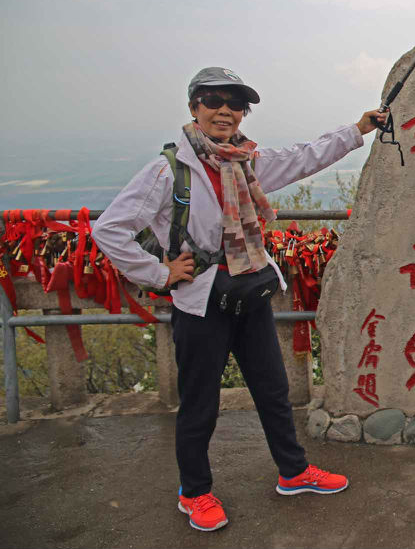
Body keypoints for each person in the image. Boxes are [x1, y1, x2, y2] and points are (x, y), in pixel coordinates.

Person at [92, 67, 387, 532]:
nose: (225, 110)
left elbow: (305, 157)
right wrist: (159, 273)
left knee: (273, 390)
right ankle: (194, 493)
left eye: (236, 103)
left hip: (248, 292)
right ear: (194, 107)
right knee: (200, 402)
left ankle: (293, 472)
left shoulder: (246, 162)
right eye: (213, 100)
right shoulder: (169, 172)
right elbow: (109, 229)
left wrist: (359, 129)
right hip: (200, 301)